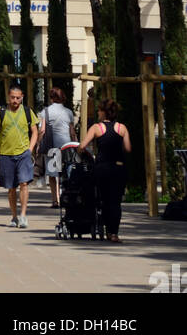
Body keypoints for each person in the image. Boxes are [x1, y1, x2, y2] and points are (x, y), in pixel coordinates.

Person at [79, 98, 131, 243]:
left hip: (102, 168)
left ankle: (101, 224)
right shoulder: (122, 128)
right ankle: (113, 233)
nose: (97, 112)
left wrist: (84, 154)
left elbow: (82, 146)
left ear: (103, 112)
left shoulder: (96, 128)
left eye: (99, 110)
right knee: (116, 201)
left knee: (102, 199)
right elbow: (128, 148)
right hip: (118, 168)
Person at [0, 81, 39, 228]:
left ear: (22, 97)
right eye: (12, 97)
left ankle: (23, 215)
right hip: (6, 154)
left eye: (18, 98)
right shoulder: (1, 111)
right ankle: (14, 216)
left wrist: (30, 149)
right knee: (11, 187)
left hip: (23, 153)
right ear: (8, 97)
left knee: (24, 183)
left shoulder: (28, 112)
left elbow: (35, 131)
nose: (15, 101)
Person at [38, 86, 75, 207]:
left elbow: (42, 130)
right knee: (65, 173)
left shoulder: (46, 112)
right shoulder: (68, 112)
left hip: (52, 147)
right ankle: (66, 196)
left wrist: (38, 144)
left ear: (51, 98)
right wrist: (75, 144)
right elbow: (72, 132)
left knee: (53, 174)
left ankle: (55, 200)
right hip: (66, 146)